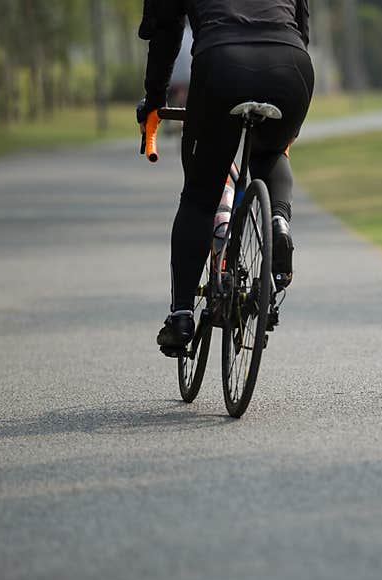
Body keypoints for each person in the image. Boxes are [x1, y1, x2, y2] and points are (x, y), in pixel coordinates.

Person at [136, 0, 314, 354]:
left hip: (222, 64)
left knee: (201, 195)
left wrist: (154, 99)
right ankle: (278, 221)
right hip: (291, 63)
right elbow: (302, 25)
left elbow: (166, 34)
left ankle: (182, 315)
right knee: (271, 152)